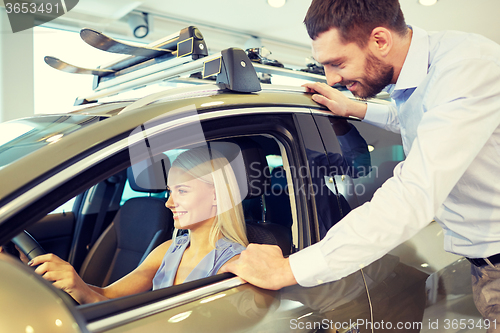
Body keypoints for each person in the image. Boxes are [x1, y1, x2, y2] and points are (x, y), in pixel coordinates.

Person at [221, 0, 500, 326]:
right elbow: (411, 117)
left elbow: (415, 193)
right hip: (485, 262)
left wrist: (289, 268)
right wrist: (355, 109)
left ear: (380, 40)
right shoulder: (419, 74)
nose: (332, 78)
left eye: (337, 62)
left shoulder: (466, 69)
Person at [28, 146, 248, 304]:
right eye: (170, 191)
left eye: (182, 191)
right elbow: (109, 296)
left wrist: (79, 288)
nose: (169, 203)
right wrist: (72, 284)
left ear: (216, 196)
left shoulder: (233, 265)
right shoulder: (169, 250)